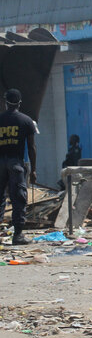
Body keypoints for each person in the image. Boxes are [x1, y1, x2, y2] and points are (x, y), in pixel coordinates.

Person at [0, 89, 37, 244]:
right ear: (20, 103)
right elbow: (31, 147)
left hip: (0, 163)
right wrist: (34, 170)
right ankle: (18, 236)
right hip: (16, 164)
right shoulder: (26, 121)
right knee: (18, 199)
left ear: (5, 102)